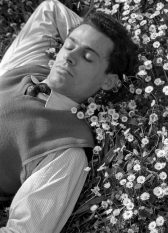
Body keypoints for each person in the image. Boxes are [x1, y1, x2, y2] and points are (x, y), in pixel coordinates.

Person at [0, 0, 138, 232]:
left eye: (88, 57)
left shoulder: (65, 150)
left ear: (108, 80)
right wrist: (96, 34)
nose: (70, 56)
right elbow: (50, 10)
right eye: (70, 45)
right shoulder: (28, 64)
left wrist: (130, 64)